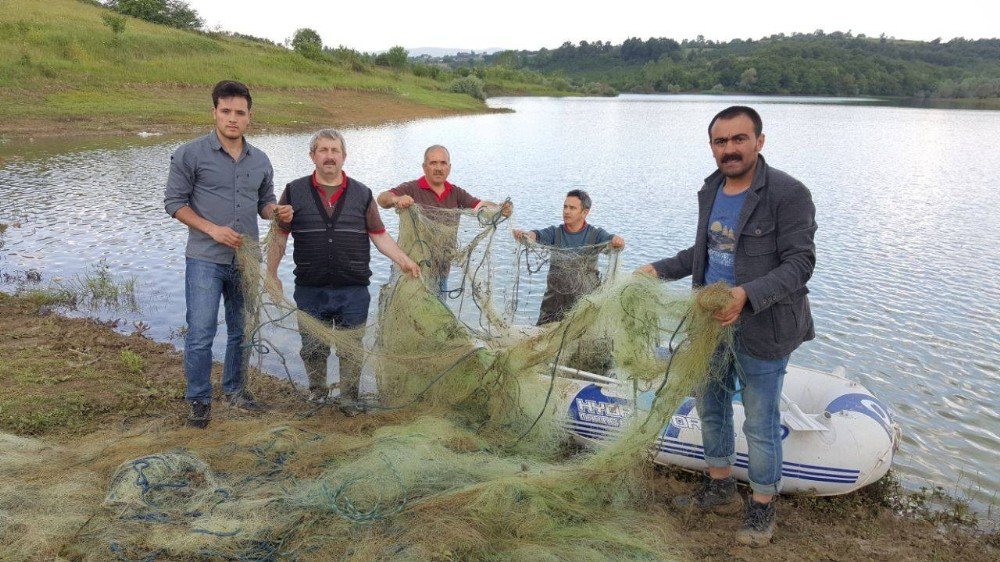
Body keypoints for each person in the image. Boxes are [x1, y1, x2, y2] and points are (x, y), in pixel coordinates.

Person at [637, 106, 816, 547]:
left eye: (739, 139)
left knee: (759, 420)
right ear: (712, 147)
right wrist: (656, 271)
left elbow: (800, 263)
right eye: (721, 142)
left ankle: (761, 507)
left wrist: (746, 295)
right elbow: (705, 250)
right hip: (710, 326)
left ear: (759, 140)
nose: (730, 149)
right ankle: (720, 488)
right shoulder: (713, 188)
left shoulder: (789, 193)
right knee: (710, 407)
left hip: (764, 327)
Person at [164, 80, 292, 429]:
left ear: (250, 117)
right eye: (226, 111)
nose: (232, 119)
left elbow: (265, 203)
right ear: (214, 113)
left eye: (240, 113)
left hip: (247, 260)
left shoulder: (261, 160)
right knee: (201, 332)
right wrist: (212, 229)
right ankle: (199, 401)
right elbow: (174, 204)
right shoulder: (189, 154)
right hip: (205, 258)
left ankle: (236, 391)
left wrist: (276, 212)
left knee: (242, 330)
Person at [266, 129, 420, 413]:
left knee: (351, 348)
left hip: (353, 289)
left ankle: (349, 398)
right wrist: (271, 273)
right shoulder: (294, 190)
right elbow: (279, 236)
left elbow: (380, 235)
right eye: (322, 150)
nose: (329, 156)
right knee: (313, 347)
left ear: (344, 156)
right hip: (310, 288)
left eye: (334, 150)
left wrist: (404, 260)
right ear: (312, 156)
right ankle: (317, 394)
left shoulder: (362, 194)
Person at [376, 145, 510, 293]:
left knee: (437, 313)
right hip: (410, 270)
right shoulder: (412, 188)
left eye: (443, 163)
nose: (438, 168)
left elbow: (481, 206)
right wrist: (397, 199)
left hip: (441, 272)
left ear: (449, 167)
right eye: (433, 163)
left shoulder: (456, 193)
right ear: (424, 167)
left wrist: (499, 209)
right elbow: (382, 199)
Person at [512, 189, 624, 325]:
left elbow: (612, 240)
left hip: (584, 306)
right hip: (553, 306)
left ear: (585, 212)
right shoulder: (555, 233)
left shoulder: (596, 235)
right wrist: (526, 235)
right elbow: (536, 235)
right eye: (565, 207)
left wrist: (617, 241)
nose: (566, 211)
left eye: (572, 208)